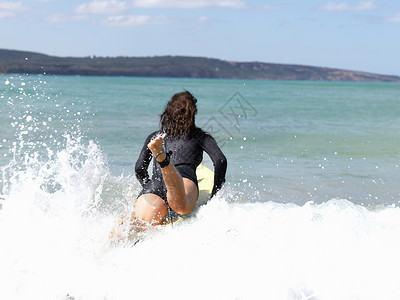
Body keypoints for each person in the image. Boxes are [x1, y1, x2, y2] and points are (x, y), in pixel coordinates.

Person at [132, 91, 227, 227]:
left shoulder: (156, 136)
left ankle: (115, 230)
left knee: (140, 225)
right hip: (183, 182)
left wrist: (148, 185)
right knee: (181, 207)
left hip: (155, 184)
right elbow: (220, 161)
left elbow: (139, 168)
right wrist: (214, 194)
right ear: (193, 114)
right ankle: (164, 161)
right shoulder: (199, 136)